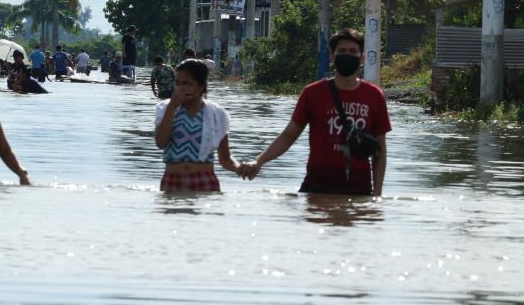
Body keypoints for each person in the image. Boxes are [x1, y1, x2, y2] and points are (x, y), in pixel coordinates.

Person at [242, 28, 391, 196]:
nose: (347, 55)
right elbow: (289, 135)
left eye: (352, 51)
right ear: (332, 57)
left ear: (362, 57)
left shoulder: (374, 96)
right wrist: (258, 161)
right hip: (317, 184)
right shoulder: (313, 93)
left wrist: (377, 195)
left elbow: (380, 150)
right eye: (342, 51)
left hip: (359, 186)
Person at [154, 59, 244, 192]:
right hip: (172, 180)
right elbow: (161, 143)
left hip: (204, 181)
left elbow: (225, 159)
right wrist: (172, 107)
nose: (180, 88)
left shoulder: (217, 114)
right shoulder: (165, 109)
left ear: (201, 86)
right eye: (177, 83)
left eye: (187, 83)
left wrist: (239, 168)